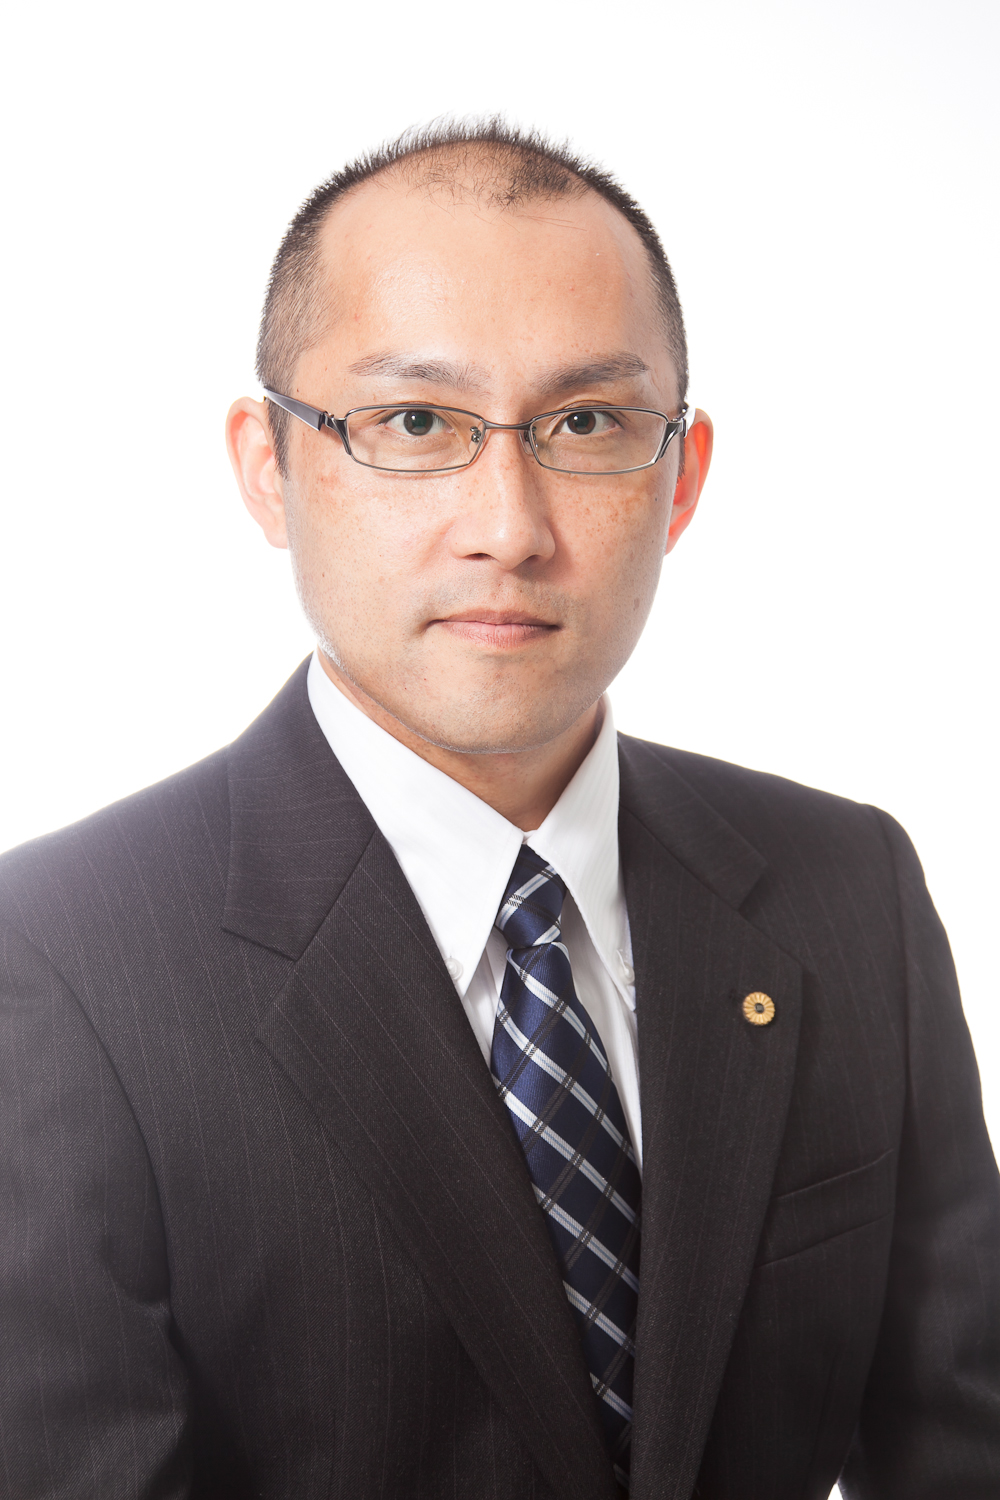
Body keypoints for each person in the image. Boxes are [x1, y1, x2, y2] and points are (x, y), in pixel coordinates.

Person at [1, 119, 997, 1500]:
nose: (510, 527)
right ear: (267, 466)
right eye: (416, 424)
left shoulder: (847, 887)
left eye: (586, 423)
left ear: (681, 475)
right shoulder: (57, 960)